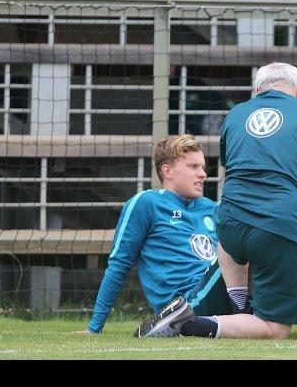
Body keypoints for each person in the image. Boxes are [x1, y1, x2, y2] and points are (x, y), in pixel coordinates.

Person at [138, 62, 297, 340]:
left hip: (230, 226)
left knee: (243, 250)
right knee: (275, 330)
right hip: (278, 225)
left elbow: (231, 172)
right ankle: (187, 324)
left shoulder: (235, 114)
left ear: (256, 90)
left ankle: (237, 311)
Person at [87, 134, 232, 335]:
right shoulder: (146, 203)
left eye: (203, 167)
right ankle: (172, 321)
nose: (203, 174)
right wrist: (94, 328)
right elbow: (118, 265)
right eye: (193, 167)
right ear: (167, 171)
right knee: (245, 246)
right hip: (185, 304)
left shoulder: (210, 208)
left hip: (222, 294)